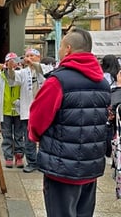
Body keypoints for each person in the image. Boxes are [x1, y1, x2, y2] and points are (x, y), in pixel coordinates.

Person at [29, 27, 111, 217]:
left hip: (61, 166)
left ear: (67, 49)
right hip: (90, 165)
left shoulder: (57, 81)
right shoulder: (103, 83)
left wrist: (35, 137)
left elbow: (37, 119)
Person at [7, 48, 53, 172]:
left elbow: (43, 72)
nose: (29, 58)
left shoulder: (46, 67)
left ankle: (44, 162)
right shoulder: (23, 72)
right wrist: (10, 68)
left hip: (44, 110)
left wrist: (32, 63)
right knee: (29, 138)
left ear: (38, 57)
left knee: (45, 137)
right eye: (27, 56)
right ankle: (32, 162)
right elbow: (12, 80)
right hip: (28, 110)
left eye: (32, 55)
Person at [0, 53, 24, 168]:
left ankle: (19, 156)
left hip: (18, 110)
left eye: (14, 61)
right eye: (9, 61)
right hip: (5, 110)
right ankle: (8, 157)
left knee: (18, 135)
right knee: (6, 135)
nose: (12, 64)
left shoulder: (21, 74)